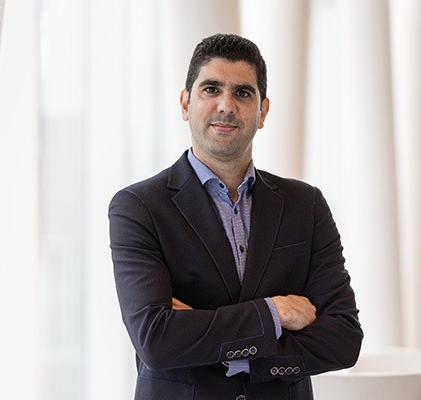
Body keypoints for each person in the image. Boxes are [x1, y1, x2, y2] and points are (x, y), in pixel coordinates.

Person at [109, 33, 363, 400]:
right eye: (211, 89)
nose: (226, 105)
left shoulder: (305, 205)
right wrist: (274, 312)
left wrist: (226, 349)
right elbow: (156, 339)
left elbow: (343, 339)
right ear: (185, 103)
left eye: (243, 93)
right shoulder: (138, 207)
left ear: (263, 112)